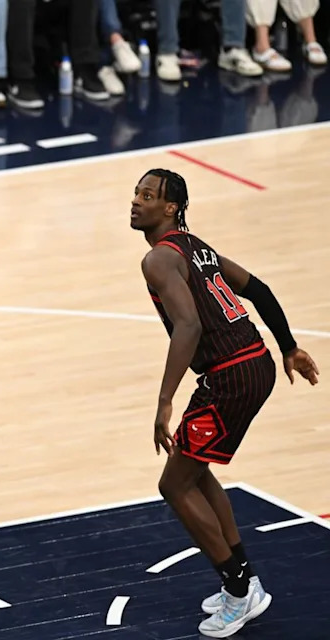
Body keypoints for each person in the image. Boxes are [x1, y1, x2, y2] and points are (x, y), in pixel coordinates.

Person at [131, 169, 319, 638]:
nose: (136, 201)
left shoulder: (159, 258)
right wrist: (289, 346)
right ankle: (244, 581)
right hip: (252, 362)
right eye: (136, 193)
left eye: (148, 195)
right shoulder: (195, 247)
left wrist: (164, 401)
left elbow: (189, 326)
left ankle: (239, 591)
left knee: (174, 485)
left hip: (231, 375)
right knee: (195, 471)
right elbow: (258, 289)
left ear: (171, 208)